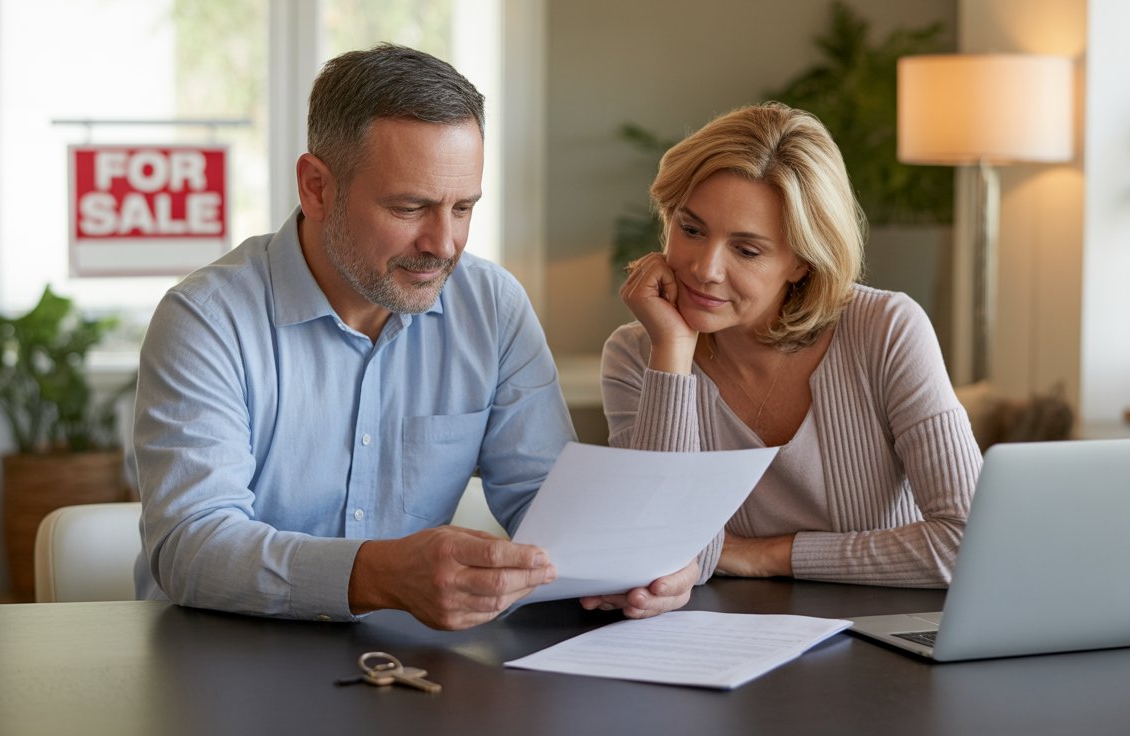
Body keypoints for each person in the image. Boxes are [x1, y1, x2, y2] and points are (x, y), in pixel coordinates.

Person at [134, 43, 696, 627]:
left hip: (411, 671)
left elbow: (545, 504)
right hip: (223, 665)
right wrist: (377, 575)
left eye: (463, 208)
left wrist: (630, 565)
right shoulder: (206, 320)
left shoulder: (492, 308)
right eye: (410, 208)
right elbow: (190, 545)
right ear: (317, 188)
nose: (444, 244)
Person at [602, 102, 983, 588]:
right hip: (720, 637)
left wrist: (768, 556)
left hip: (884, 634)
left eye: (746, 249)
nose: (705, 268)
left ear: (803, 262)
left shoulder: (886, 330)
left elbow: (967, 546)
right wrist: (673, 351)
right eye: (691, 229)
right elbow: (653, 552)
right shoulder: (639, 354)